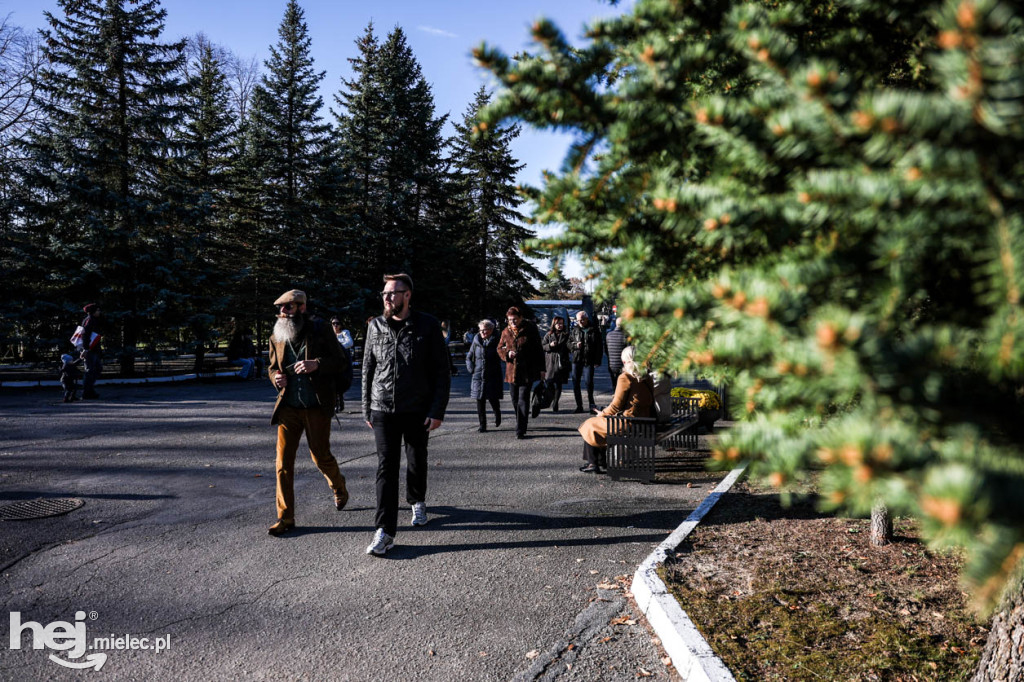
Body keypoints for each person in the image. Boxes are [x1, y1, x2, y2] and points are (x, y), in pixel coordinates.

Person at [362, 274, 451, 556]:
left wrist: (437, 410)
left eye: (393, 293)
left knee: (416, 458)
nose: (387, 298)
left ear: (407, 295)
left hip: (417, 408)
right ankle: (385, 531)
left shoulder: (426, 325)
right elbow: (368, 369)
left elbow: (441, 371)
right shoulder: (375, 326)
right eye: (384, 293)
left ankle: (417, 500)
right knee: (386, 467)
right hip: (382, 407)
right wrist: (367, 407)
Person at [266, 289, 350, 537]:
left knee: (320, 456)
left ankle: (338, 486)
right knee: (282, 464)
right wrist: (276, 379)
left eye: (288, 308)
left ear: (301, 307)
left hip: (315, 406)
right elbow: (271, 368)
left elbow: (340, 362)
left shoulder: (320, 330)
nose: (283, 312)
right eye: (280, 308)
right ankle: (285, 517)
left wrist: (317, 364)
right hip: (289, 408)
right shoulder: (276, 336)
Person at [577, 346, 654, 473]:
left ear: (625, 361)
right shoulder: (646, 377)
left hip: (629, 423)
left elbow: (615, 407)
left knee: (590, 424)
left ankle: (593, 463)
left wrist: (602, 413)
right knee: (598, 424)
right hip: (645, 421)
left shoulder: (625, 377)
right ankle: (600, 461)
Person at [496, 306, 545, 440]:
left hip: (527, 371)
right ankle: (521, 419)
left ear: (521, 318)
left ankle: (520, 429)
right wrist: (507, 353)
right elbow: (499, 348)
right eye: (510, 320)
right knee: (514, 399)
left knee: (523, 399)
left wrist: (542, 369)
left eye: (515, 319)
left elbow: (539, 350)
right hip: (511, 372)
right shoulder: (506, 331)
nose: (513, 322)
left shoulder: (530, 329)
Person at [466, 319, 503, 432]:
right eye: (481, 330)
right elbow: (469, 356)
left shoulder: (497, 340)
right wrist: (471, 369)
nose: (482, 333)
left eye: (485, 331)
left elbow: (502, 354)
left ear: (491, 330)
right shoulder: (476, 341)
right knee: (480, 400)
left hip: (492, 374)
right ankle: (482, 425)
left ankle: (497, 414)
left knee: (493, 399)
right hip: (478, 375)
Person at [569, 310, 603, 413]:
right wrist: (575, 345)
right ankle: (579, 406)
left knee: (589, 383)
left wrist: (598, 360)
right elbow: (568, 343)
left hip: (589, 360)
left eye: (582, 320)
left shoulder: (594, 330)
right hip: (577, 360)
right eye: (578, 320)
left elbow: (599, 346)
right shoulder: (574, 330)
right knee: (576, 383)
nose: (580, 322)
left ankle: (591, 405)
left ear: (586, 319)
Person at [541, 314, 571, 412]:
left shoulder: (566, 335)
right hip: (550, 362)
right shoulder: (549, 334)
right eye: (558, 324)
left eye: (561, 324)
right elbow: (542, 346)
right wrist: (550, 345)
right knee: (549, 382)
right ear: (554, 324)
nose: (560, 325)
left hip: (561, 362)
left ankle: (556, 402)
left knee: (558, 384)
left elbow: (569, 346)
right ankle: (551, 399)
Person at [77, 303, 103, 399]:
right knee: (90, 371)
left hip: (93, 349)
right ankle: (86, 393)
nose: (99, 312)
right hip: (90, 350)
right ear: (93, 311)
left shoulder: (92, 320)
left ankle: (90, 391)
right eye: (97, 310)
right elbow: (85, 335)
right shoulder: (89, 320)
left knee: (96, 369)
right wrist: (85, 349)